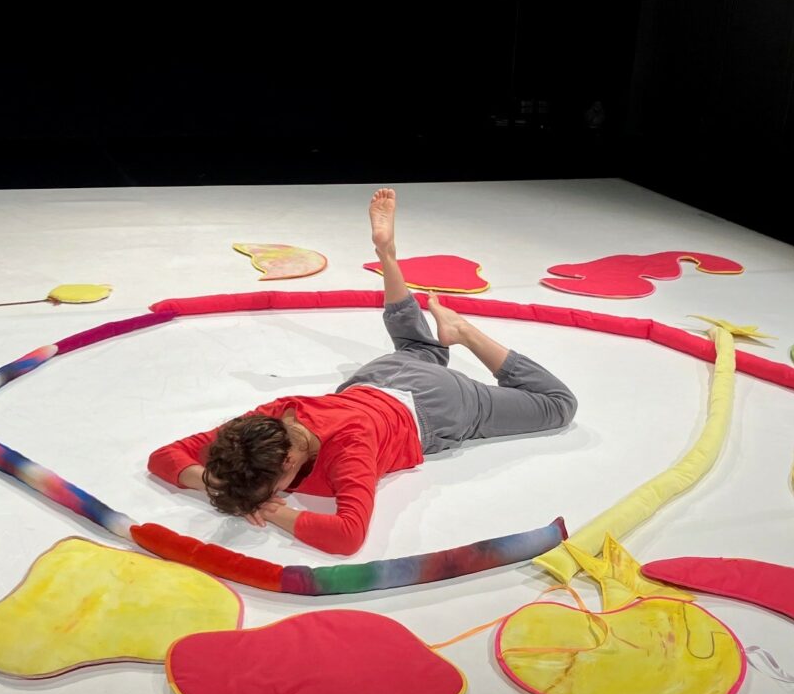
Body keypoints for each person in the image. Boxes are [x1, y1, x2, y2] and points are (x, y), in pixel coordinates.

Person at [147, 188, 577, 555]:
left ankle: (464, 332)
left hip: (437, 405)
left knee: (558, 405)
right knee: (417, 350)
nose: (270, 495)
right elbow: (162, 457)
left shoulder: (349, 451)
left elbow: (347, 536)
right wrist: (223, 488)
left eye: (272, 488)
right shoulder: (273, 415)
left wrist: (275, 512)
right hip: (381, 376)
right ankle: (387, 254)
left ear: (289, 461)